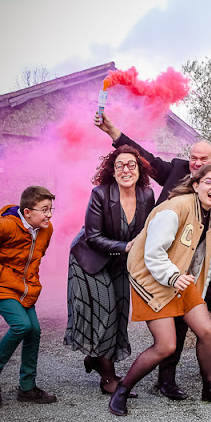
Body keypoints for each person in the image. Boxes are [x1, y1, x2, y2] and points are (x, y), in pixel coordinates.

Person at [95, 113, 211, 401]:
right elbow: (144, 158)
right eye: (194, 158)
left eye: (203, 159)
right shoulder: (177, 191)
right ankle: (161, 382)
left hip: (192, 270)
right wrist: (113, 131)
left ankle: (209, 376)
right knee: (169, 341)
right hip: (161, 269)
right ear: (196, 183)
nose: (196, 163)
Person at [64, 145, 155, 395]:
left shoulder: (147, 195)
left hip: (120, 262)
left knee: (120, 313)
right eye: (119, 166)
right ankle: (108, 378)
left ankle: (95, 358)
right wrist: (126, 247)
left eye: (131, 165)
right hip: (90, 261)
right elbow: (93, 237)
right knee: (106, 314)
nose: (126, 169)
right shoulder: (100, 194)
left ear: (139, 170)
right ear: (112, 172)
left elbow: (145, 232)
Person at [0, 186, 58, 406]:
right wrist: (1, 274)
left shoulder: (46, 229)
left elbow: (34, 260)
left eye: (51, 209)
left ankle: (27, 388)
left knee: (34, 330)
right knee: (21, 325)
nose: (49, 214)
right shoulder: (3, 226)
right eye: (44, 209)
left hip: (23, 287)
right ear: (27, 212)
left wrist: (30, 284)